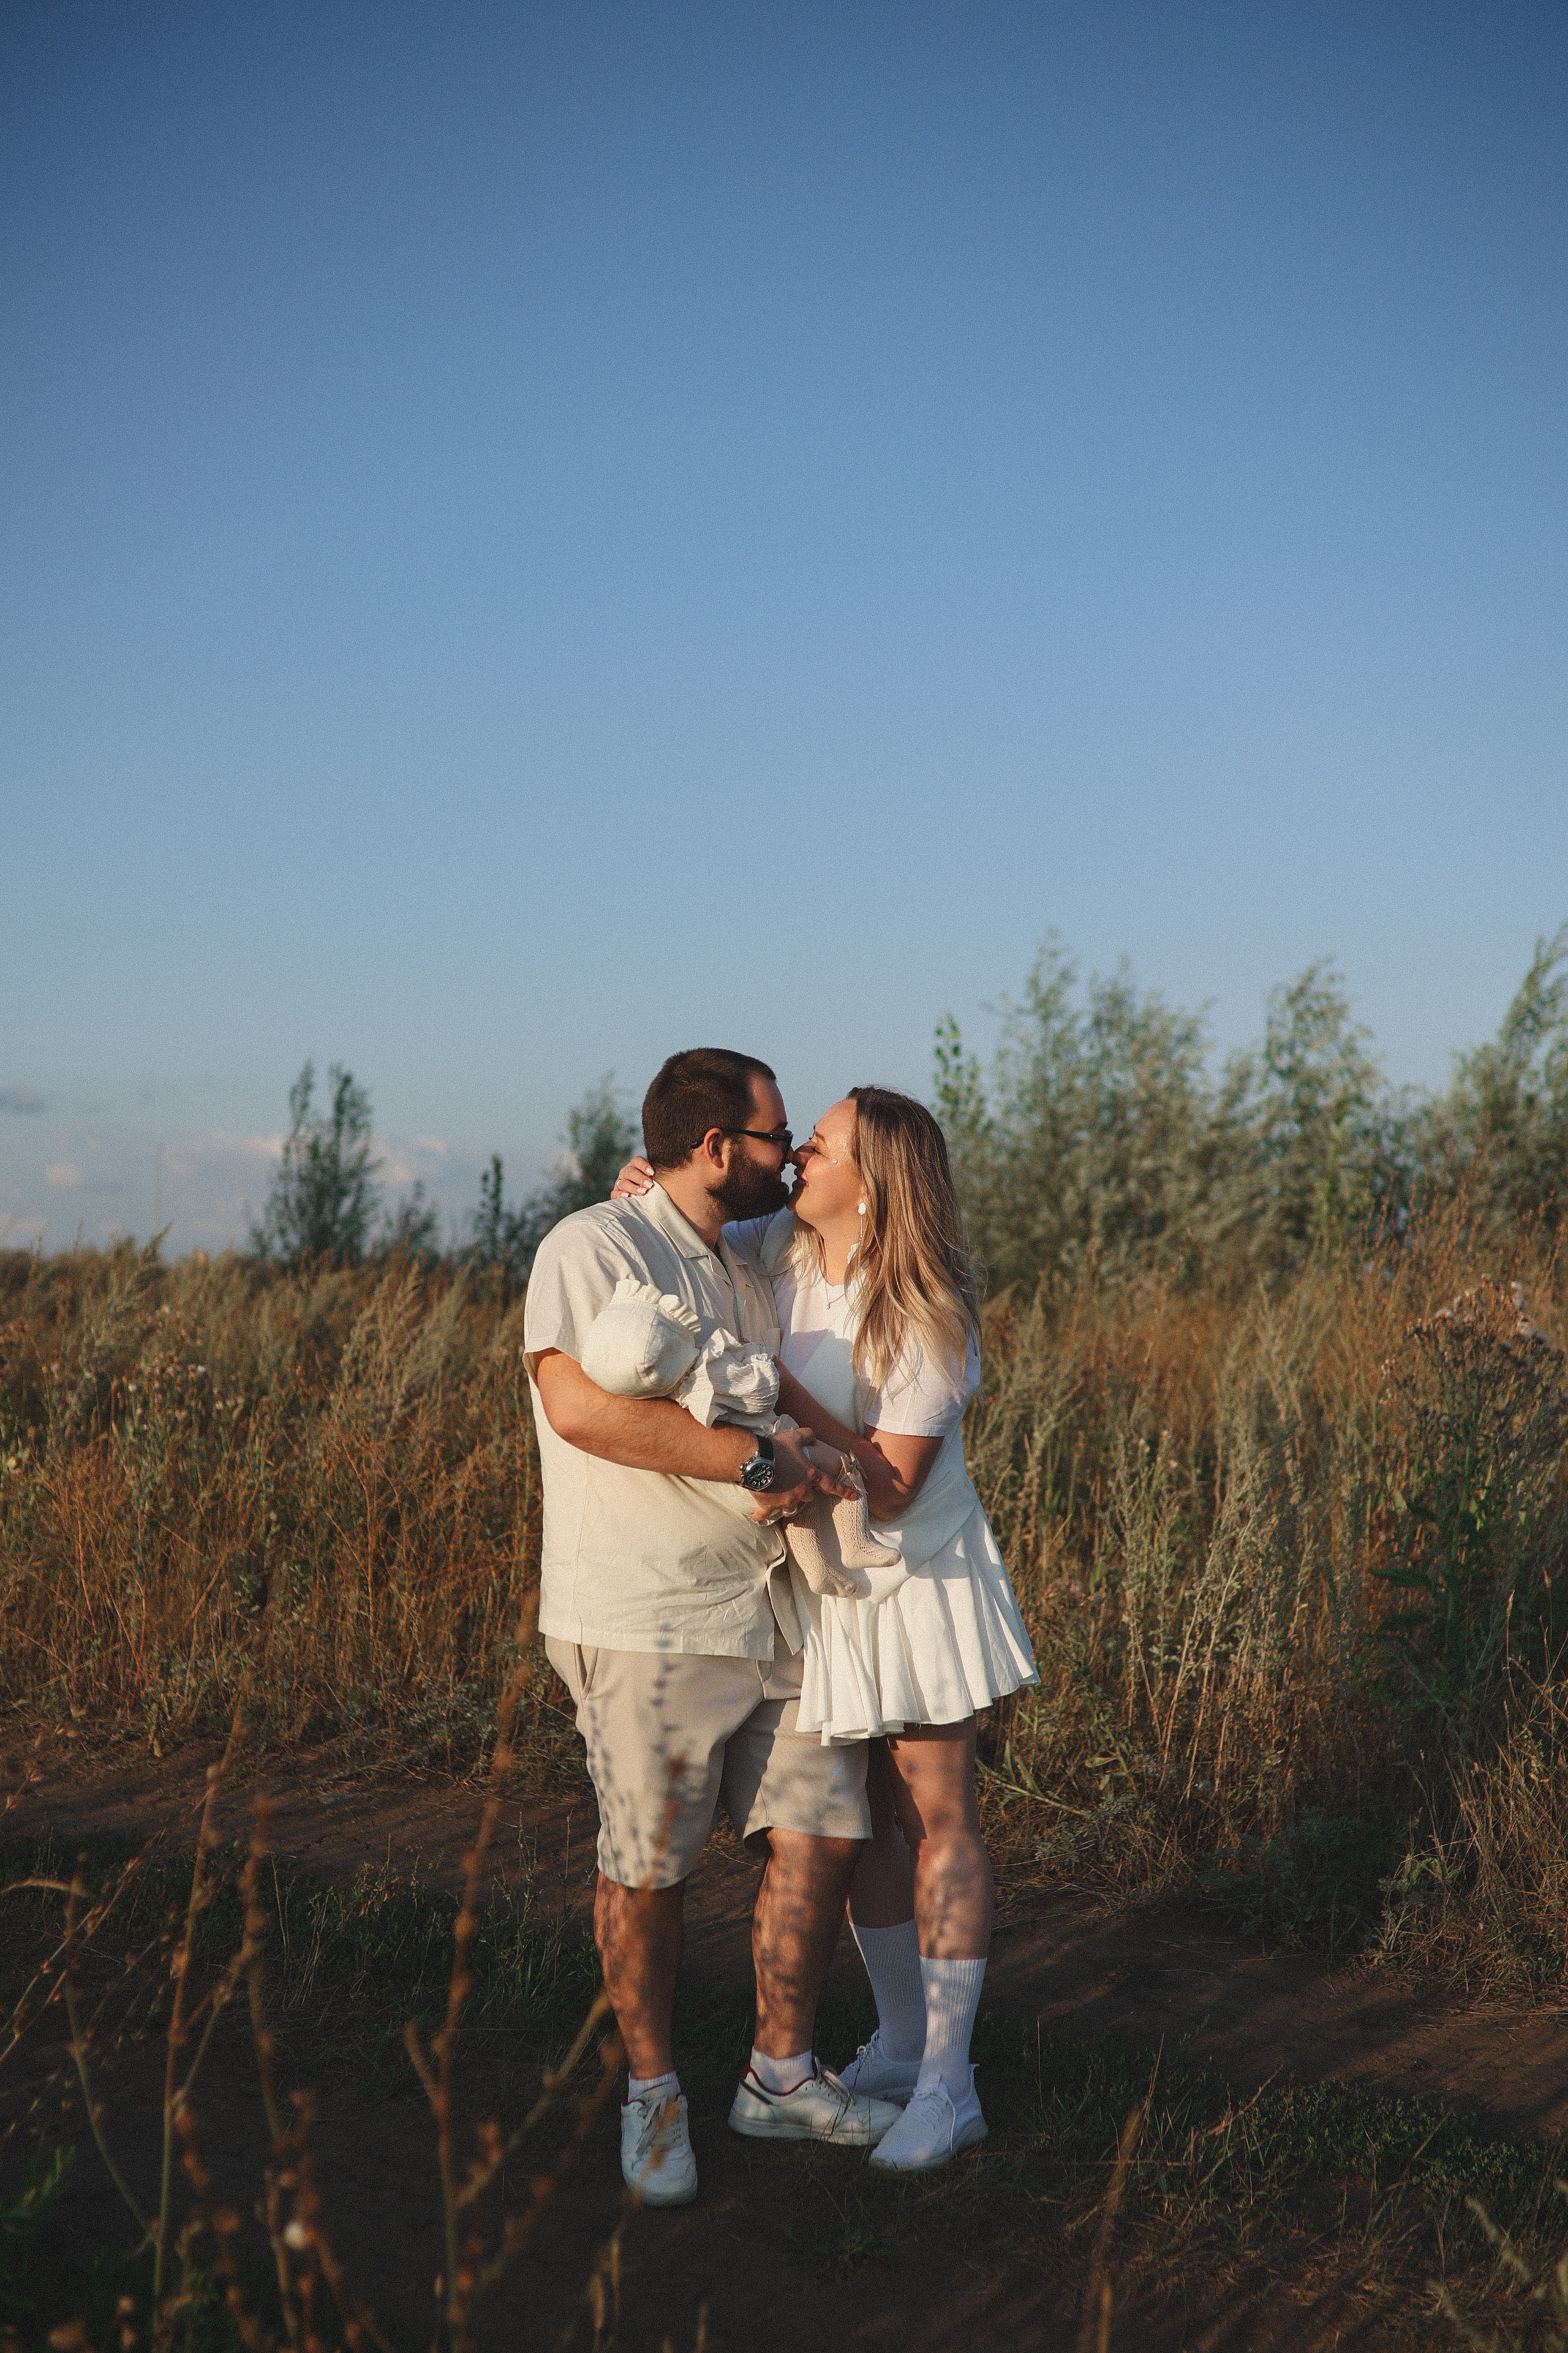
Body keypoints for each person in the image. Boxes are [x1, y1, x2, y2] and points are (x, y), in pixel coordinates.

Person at [613, 1085, 1038, 2172]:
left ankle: (954, 2086)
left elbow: (890, 1485)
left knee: (939, 1812)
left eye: (824, 1142)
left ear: (875, 1179)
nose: (800, 1153)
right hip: (832, 1585)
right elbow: (691, 1223)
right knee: (870, 1826)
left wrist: (769, 1388)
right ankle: (900, 2045)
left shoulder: (931, 1310)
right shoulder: (782, 1244)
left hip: (918, 1578)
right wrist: (645, 1191)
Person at [525, 1048, 904, 2209]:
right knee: (649, 1866)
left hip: (769, 1605)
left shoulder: (744, 1255)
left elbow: (856, 1230)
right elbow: (581, 1405)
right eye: (772, 1134)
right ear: (711, 1148)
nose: (788, 1153)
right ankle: (652, 2092)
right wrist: (752, 1457)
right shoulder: (591, 1246)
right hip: (647, 1616)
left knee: (822, 1828)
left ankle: (778, 2073)